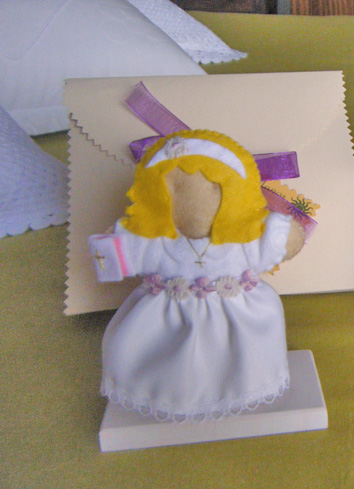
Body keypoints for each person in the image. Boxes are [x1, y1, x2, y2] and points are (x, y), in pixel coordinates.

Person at [89, 130, 305, 421]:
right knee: (165, 362)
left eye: (213, 188)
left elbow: (278, 243)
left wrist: (285, 236)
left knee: (246, 360)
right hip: (164, 319)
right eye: (173, 188)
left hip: (240, 321)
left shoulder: (244, 238)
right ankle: (164, 394)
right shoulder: (152, 240)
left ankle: (246, 389)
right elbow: (114, 254)